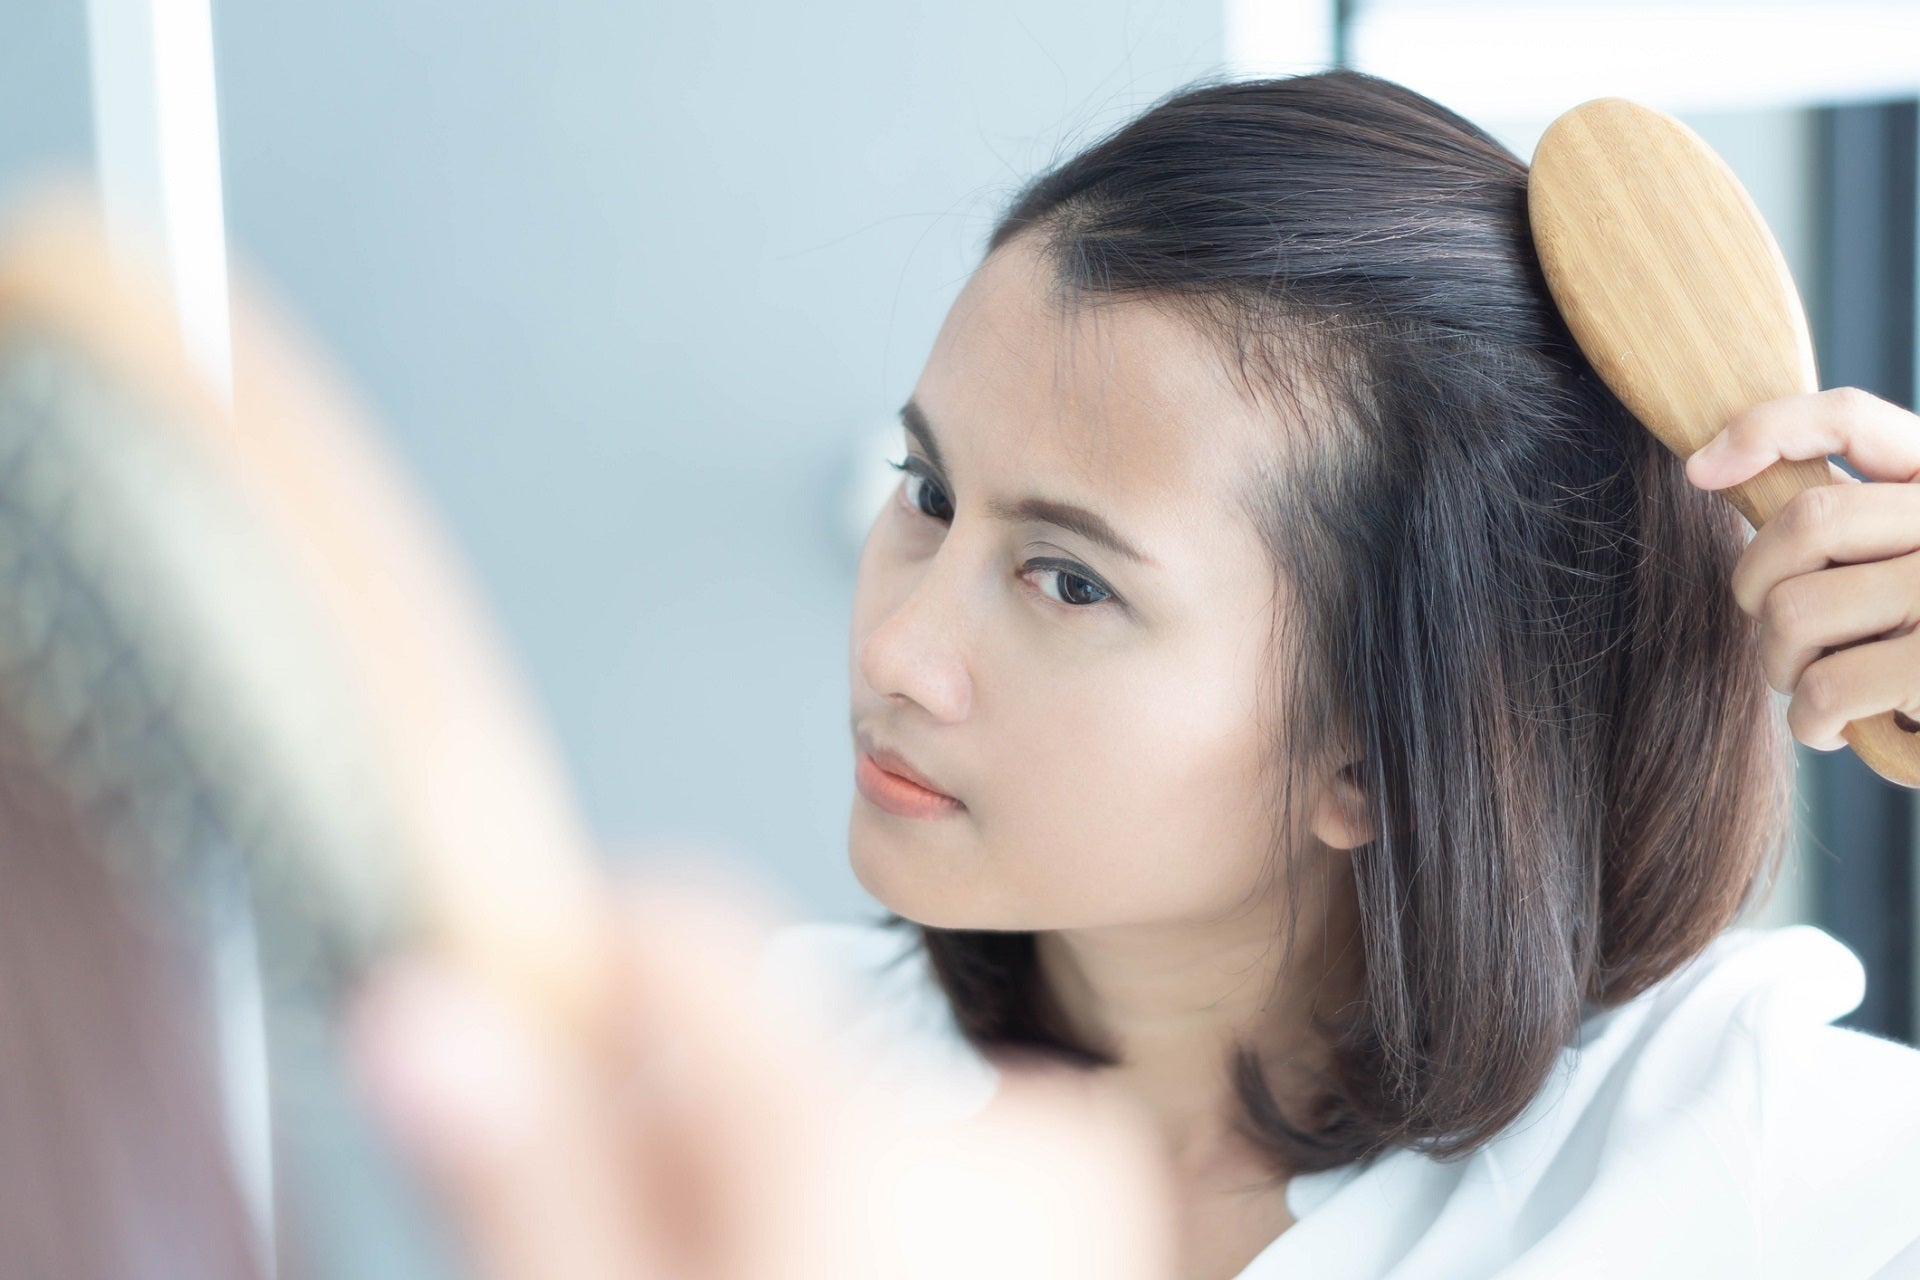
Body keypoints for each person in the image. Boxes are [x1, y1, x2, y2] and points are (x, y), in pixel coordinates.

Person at [351, 69, 1920, 1278]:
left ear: (1376, 754)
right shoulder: (763, 1099)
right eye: (930, 494)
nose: (896, 648)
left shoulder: (1742, 1171)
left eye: (1070, 580)